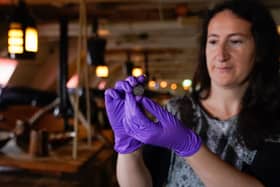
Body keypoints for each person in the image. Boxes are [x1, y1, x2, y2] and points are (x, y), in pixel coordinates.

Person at [104, 0, 280, 186]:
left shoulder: (274, 120)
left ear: (260, 50)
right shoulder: (177, 110)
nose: (221, 55)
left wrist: (189, 147)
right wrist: (128, 148)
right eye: (213, 41)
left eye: (235, 41)